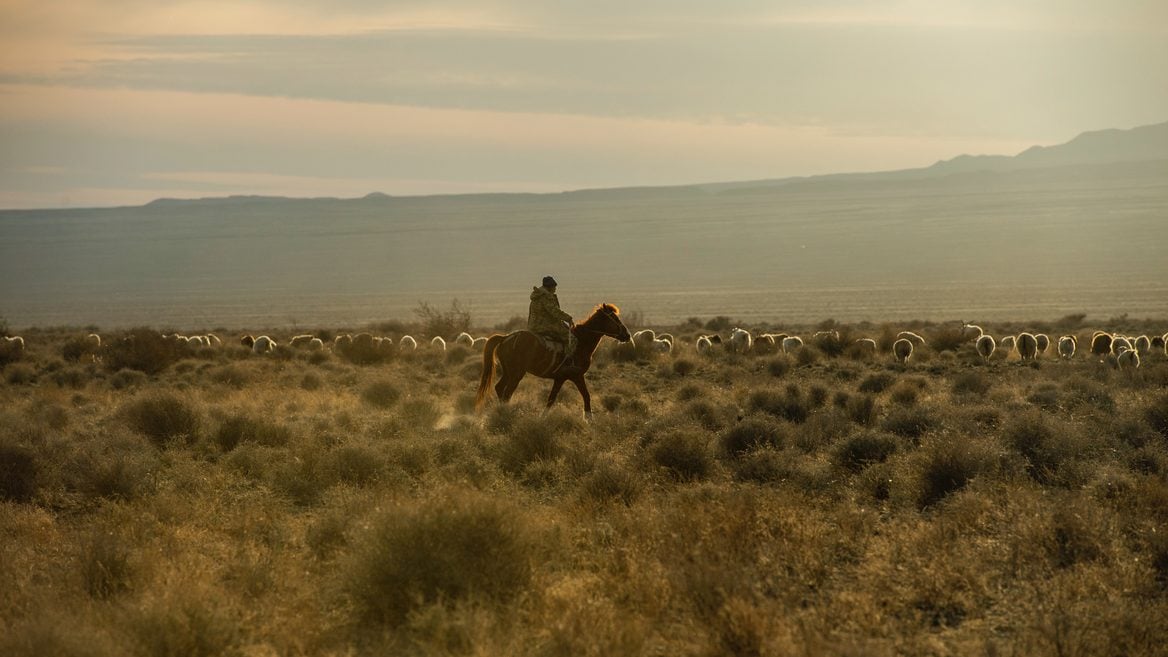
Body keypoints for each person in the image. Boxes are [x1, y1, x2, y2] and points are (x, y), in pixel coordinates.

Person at [528, 275, 579, 373]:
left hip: (533, 325)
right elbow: (554, 311)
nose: (555, 289)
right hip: (544, 326)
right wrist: (568, 318)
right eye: (554, 287)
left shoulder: (537, 295)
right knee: (572, 339)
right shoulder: (546, 296)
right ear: (549, 287)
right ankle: (567, 364)